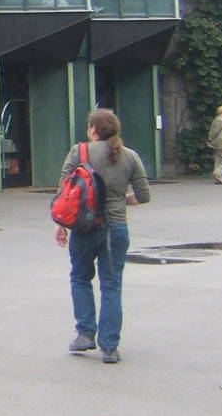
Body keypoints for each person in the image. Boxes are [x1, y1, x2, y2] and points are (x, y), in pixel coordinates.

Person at [54, 108, 151, 364]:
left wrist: (60, 224)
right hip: (115, 228)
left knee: (80, 277)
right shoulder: (130, 156)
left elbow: (65, 190)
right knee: (111, 285)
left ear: (94, 129)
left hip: (83, 227)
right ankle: (109, 347)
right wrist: (123, 201)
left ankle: (85, 333)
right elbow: (144, 195)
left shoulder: (80, 151)